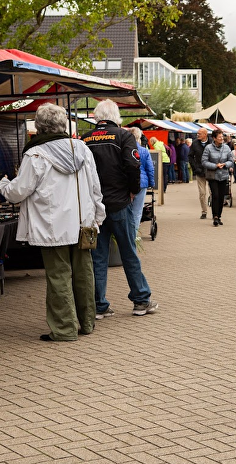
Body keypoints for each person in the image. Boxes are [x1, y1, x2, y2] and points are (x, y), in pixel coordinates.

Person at [0, 103, 105, 340]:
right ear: (63, 123)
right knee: (84, 273)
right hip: (83, 223)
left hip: (52, 226)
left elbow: (19, 191)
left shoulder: (35, 154)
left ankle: (64, 328)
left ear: (39, 126)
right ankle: (87, 322)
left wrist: (3, 185)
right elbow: (95, 187)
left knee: (59, 276)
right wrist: (98, 216)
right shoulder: (81, 148)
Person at [83, 99, 158, 319]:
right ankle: (141, 300)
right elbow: (133, 165)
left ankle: (99, 305)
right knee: (128, 252)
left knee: (98, 256)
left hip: (94, 207)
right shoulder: (123, 136)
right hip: (119, 203)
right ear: (116, 116)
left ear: (97, 116)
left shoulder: (85, 139)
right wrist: (133, 191)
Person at [202, 130, 234, 227]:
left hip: (223, 175)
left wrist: (225, 164)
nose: (221, 138)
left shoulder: (226, 148)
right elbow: (204, 162)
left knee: (221, 197)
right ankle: (215, 217)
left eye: (222, 137)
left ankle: (219, 216)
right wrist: (215, 166)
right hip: (213, 176)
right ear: (214, 138)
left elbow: (231, 160)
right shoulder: (208, 148)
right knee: (215, 195)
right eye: (219, 137)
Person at [130, 127, 155, 238]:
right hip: (142, 183)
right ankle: (133, 236)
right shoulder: (144, 151)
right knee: (137, 211)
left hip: (127, 183)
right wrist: (152, 183)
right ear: (139, 137)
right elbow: (150, 169)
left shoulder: (123, 150)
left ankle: (127, 235)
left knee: (127, 211)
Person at [189, 127, 211, 219]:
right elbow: (190, 156)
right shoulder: (195, 143)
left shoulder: (212, 142)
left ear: (205, 134)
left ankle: (215, 212)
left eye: (199, 133)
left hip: (211, 171)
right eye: (197, 133)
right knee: (202, 193)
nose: (197, 135)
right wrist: (195, 168)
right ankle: (204, 211)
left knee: (213, 192)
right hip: (199, 171)